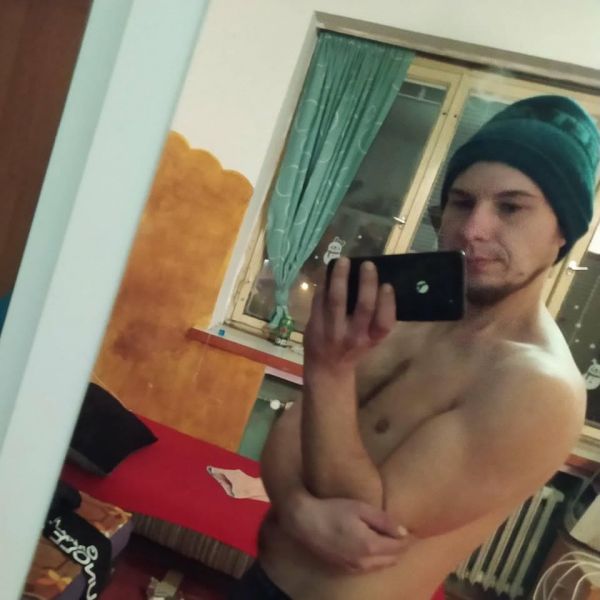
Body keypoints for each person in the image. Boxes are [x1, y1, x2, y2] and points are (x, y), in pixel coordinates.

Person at [230, 95, 600, 600]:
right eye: (462, 202)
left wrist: (329, 372)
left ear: (564, 231)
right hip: (259, 581)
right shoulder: (405, 317)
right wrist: (295, 507)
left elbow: (369, 525)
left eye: (510, 207)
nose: (473, 229)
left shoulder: (540, 387)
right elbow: (289, 432)